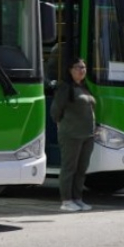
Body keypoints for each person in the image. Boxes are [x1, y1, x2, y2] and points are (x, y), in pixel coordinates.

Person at [50, 58, 97, 211]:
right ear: (70, 70)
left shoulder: (84, 86)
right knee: (69, 168)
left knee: (82, 169)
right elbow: (55, 111)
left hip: (88, 135)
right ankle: (66, 201)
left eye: (83, 67)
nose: (81, 70)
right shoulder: (65, 87)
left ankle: (78, 198)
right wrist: (61, 124)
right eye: (78, 67)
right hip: (71, 134)